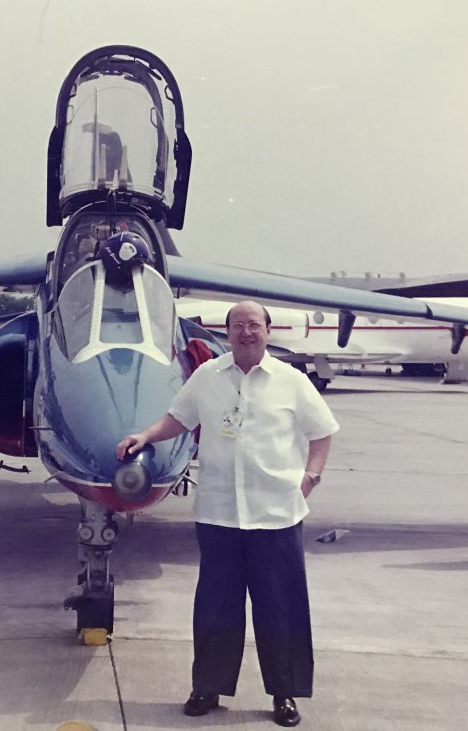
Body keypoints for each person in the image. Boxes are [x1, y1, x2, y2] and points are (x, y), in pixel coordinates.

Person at [116, 301, 338, 728]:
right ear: (229, 332)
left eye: (254, 325)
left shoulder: (291, 381)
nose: (246, 332)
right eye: (238, 326)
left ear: (268, 331)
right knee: (216, 606)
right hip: (219, 512)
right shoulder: (207, 376)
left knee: (281, 607)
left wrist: (310, 478)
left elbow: (323, 431)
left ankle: (284, 693)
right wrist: (144, 435)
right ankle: (208, 687)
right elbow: (177, 419)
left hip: (275, 514)